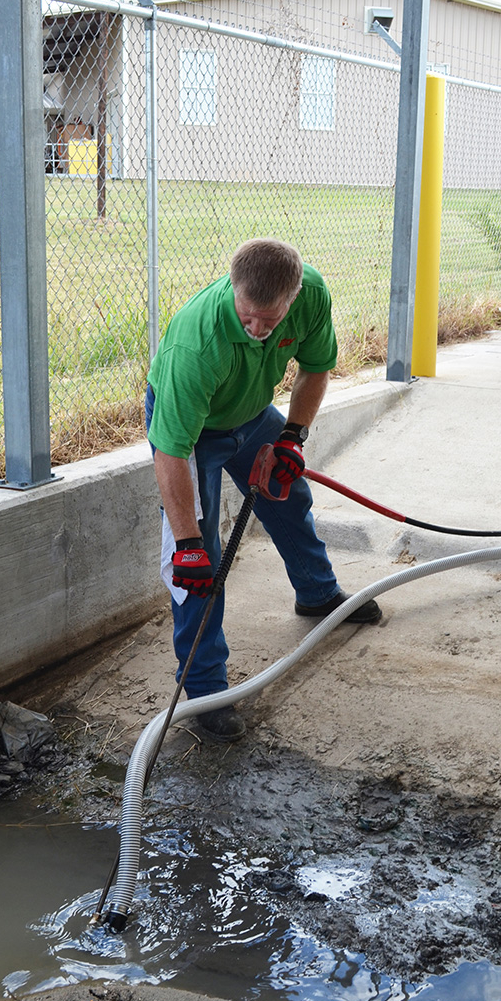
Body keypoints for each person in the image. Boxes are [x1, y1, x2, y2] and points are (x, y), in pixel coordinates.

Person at [145, 238, 381, 743]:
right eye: (247, 317)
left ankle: (317, 595)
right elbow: (171, 453)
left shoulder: (312, 294)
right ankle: (206, 691)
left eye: (269, 323)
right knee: (199, 565)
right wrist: (186, 545)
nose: (256, 331)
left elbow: (316, 368)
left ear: (293, 299)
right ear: (233, 288)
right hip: (194, 432)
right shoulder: (196, 345)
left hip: (251, 413)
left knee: (288, 493)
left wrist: (292, 437)